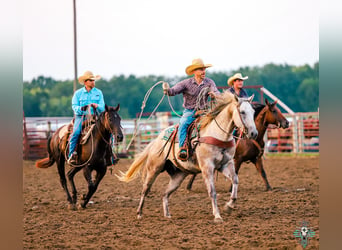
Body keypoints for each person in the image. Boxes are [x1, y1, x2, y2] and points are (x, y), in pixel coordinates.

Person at [163, 58, 220, 161]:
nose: (203, 71)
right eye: (200, 69)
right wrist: (167, 90)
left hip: (205, 111)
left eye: (204, 69)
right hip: (190, 111)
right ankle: (183, 148)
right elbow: (173, 91)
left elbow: (216, 92)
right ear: (194, 71)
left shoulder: (209, 82)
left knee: (218, 122)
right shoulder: (186, 83)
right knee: (183, 124)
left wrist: (214, 95)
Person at [67, 70, 105, 165]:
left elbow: (102, 107)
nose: (93, 82)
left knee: (109, 131)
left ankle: (110, 155)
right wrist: (81, 108)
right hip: (82, 117)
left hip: (95, 117)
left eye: (94, 80)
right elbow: (74, 106)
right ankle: (72, 154)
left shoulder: (98, 93)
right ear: (85, 82)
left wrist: (97, 106)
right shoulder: (78, 94)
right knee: (76, 132)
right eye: (91, 80)